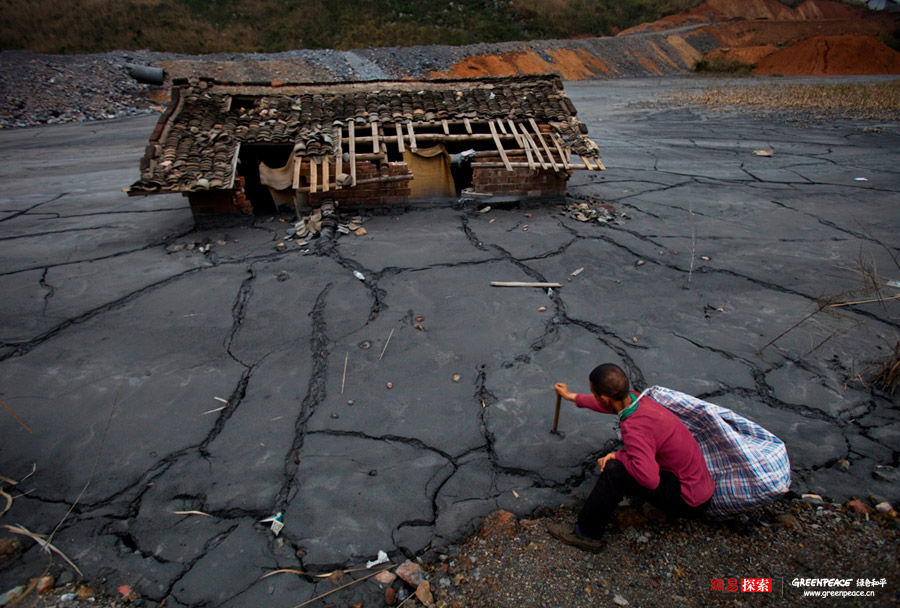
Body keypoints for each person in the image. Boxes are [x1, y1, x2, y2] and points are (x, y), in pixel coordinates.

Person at [547, 363, 714, 552]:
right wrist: (572, 397)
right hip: (699, 485)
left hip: (688, 500)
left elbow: (650, 480)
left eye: (594, 394)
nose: (595, 397)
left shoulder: (634, 429)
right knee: (627, 458)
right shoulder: (637, 399)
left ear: (605, 398)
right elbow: (608, 406)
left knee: (614, 470)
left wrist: (618, 456)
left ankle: (585, 533)